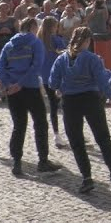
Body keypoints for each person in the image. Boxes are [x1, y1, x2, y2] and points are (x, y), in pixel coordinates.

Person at [48, 27, 111, 194]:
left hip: (70, 102)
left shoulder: (61, 60)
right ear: (88, 41)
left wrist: (61, 88)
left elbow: (52, 82)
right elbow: (102, 81)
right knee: (103, 137)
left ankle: (87, 178)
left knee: (76, 141)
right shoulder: (92, 59)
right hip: (91, 99)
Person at [0, 17, 61, 176]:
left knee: (19, 125)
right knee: (40, 123)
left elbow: (0, 67)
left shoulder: (9, 45)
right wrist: (21, 83)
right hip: (30, 88)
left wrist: (8, 85)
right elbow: (36, 65)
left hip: (13, 91)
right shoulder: (35, 42)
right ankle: (43, 161)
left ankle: (17, 162)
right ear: (32, 26)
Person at [35, 17, 68, 148]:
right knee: (66, 105)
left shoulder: (38, 41)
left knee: (53, 106)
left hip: (44, 76)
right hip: (57, 76)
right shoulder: (56, 39)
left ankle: (56, 134)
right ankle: (69, 132)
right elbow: (66, 54)